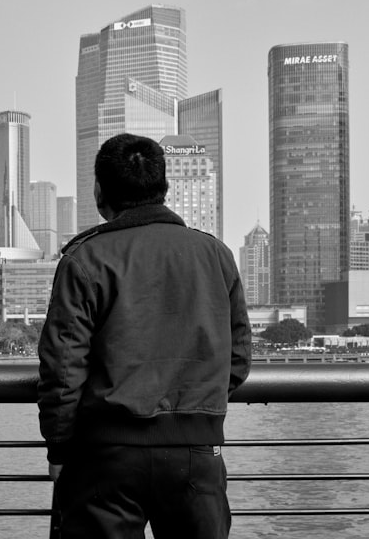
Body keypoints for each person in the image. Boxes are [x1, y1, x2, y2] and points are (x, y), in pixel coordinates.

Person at [37, 133, 252, 539]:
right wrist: (194, 400)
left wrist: (59, 448)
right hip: (198, 451)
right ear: (164, 188)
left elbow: (63, 368)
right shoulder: (216, 255)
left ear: (100, 191)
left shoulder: (85, 258)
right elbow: (238, 359)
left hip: (106, 455)